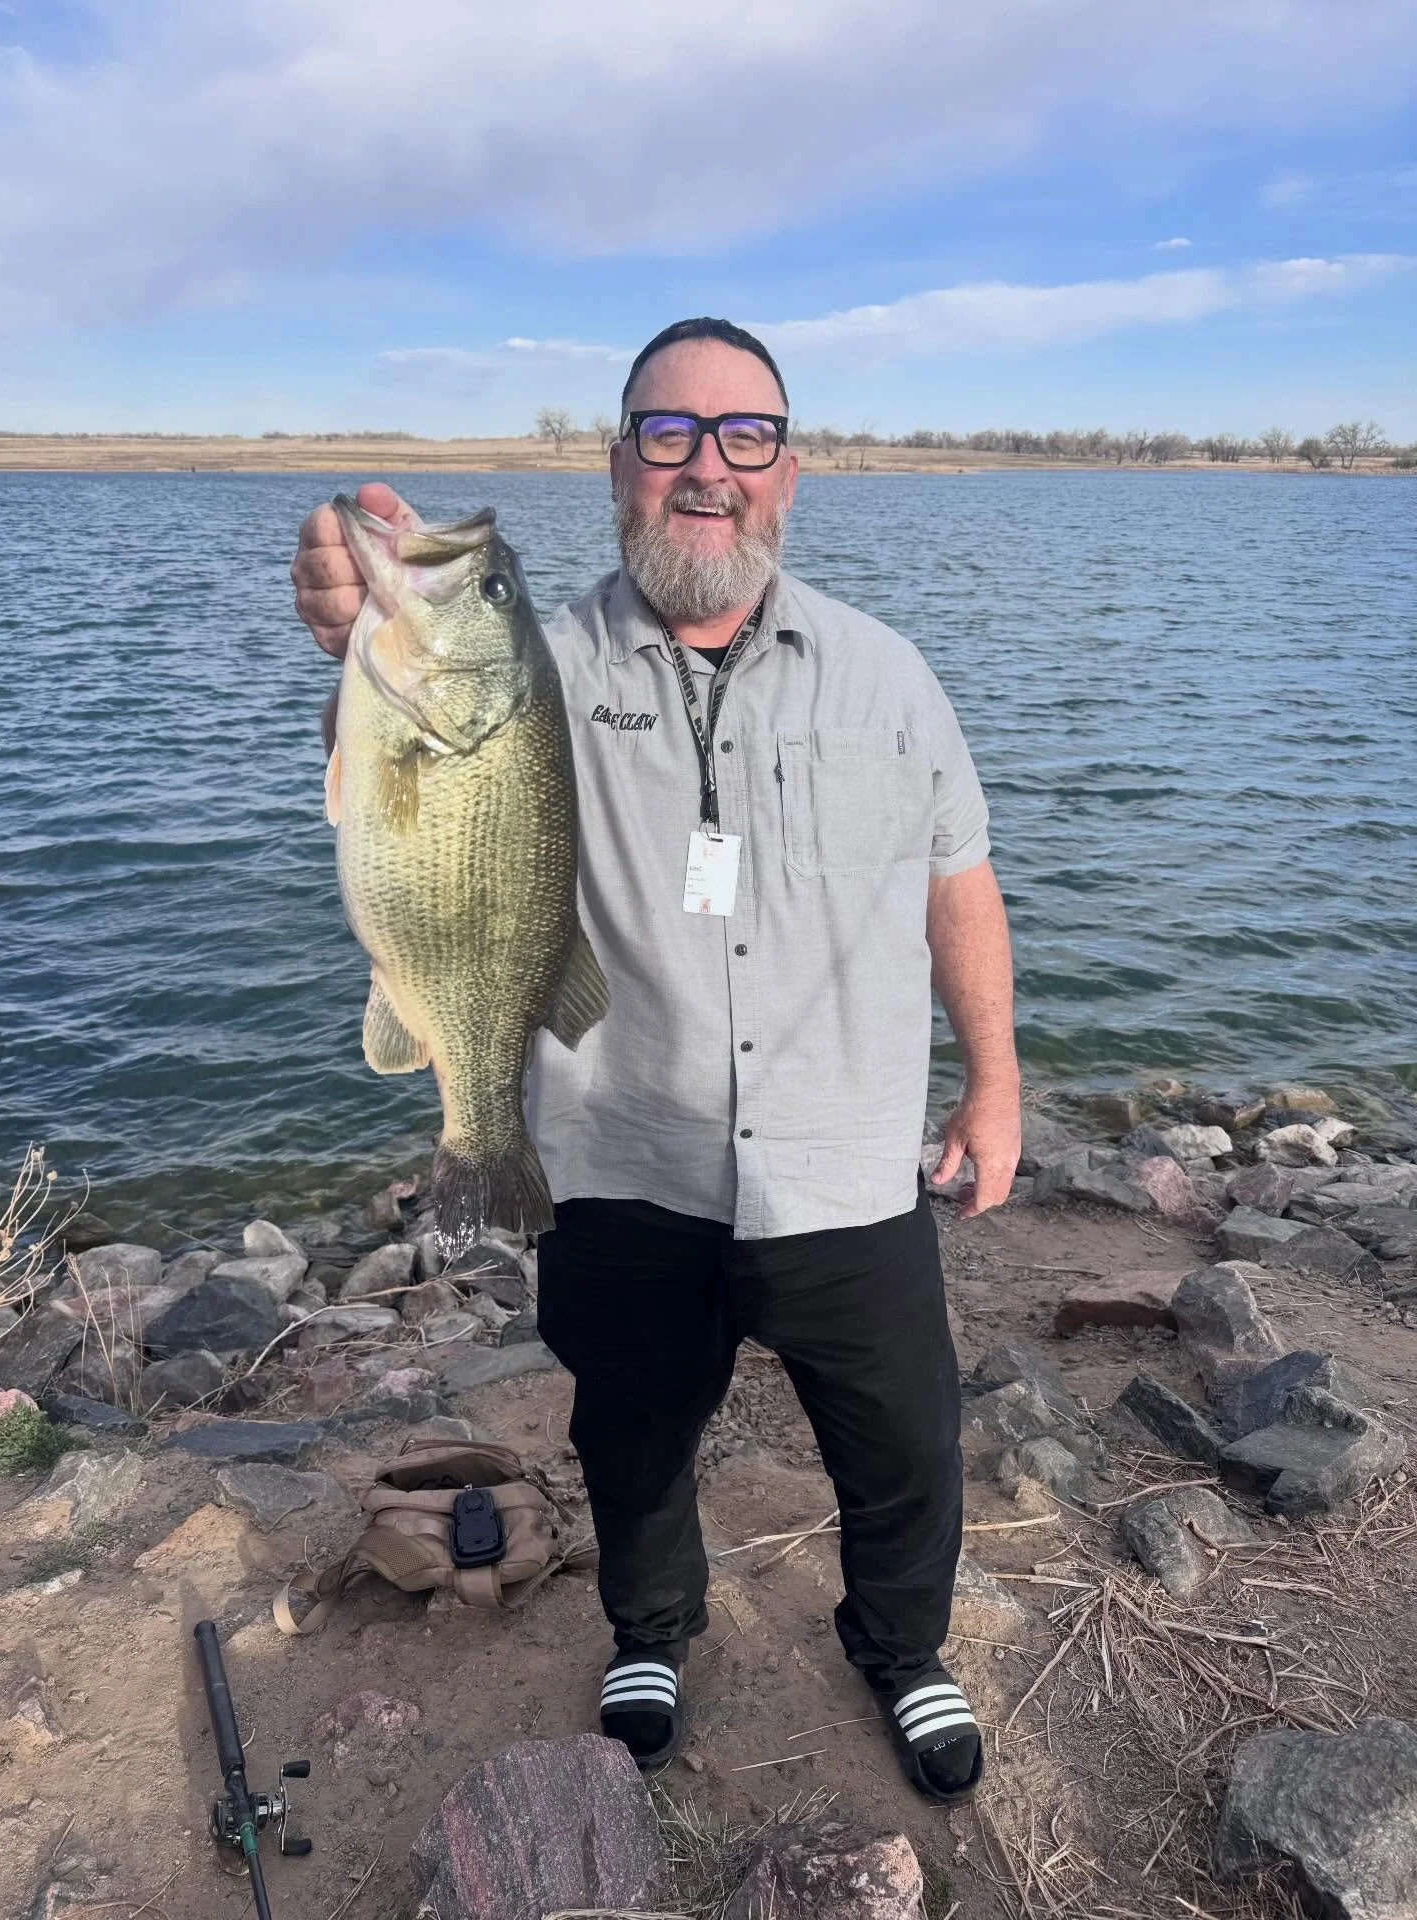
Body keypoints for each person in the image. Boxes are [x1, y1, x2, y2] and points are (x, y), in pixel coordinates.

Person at [292, 317, 1021, 1805]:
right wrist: (353, 627)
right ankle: (651, 1625)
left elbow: (961, 882)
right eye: (668, 433)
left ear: (790, 472)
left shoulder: (890, 676)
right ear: (620, 465)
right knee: (627, 1425)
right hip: (622, 1153)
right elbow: (395, 755)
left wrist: (996, 1082)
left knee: (905, 1444)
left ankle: (903, 1645)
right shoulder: (530, 659)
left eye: (742, 435)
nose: (707, 468)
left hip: (844, 1157)